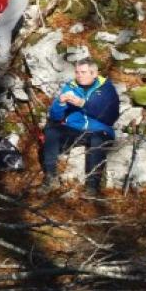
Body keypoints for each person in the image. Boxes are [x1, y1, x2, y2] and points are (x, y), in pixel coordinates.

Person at [39, 59, 119, 196]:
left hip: (99, 130)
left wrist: (83, 104)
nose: (79, 75)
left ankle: (92, 187)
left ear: (94, 74)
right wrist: (61, 103)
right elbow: (55, 117)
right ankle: (51, 177)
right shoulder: (70, 87)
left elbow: (110, 116)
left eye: (83, 72)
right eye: (77, 72)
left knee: (97, 140)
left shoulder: (107, 89)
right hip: (75, 130)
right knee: (51, 130)